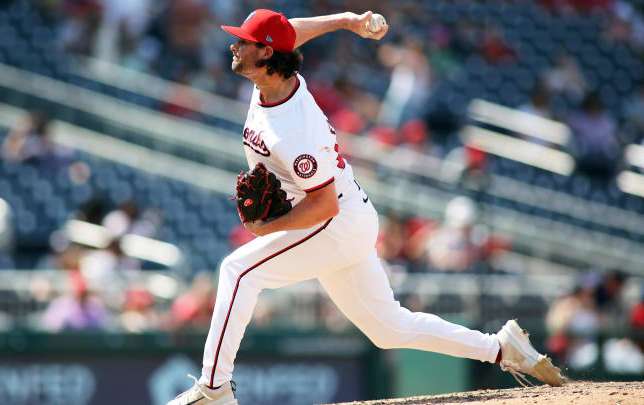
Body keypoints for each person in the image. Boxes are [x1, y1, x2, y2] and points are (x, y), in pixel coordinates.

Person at [168, 10, 562, 405]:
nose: (234, 46)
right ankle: (500, 348)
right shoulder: (273, 77)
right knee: (387, 328)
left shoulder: (295, 129)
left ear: (267, 55)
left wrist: (267, 229)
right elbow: (289, 34)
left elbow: (322, 207)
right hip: (345, 214)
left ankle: (214, 389)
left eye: (244, 41)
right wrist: (345, 20)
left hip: (333, 221)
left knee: (237, 272)